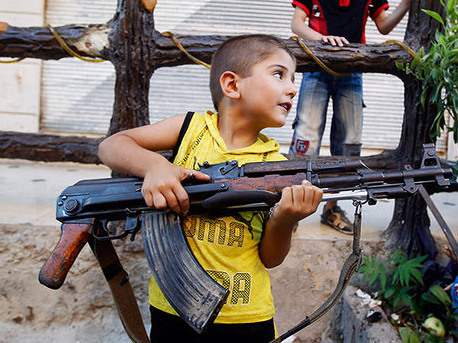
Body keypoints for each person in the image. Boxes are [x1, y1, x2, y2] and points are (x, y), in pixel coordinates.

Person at [98, 34, 323, 342]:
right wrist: (155, 166)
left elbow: (269, 258)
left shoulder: (276, 164)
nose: (292, 88)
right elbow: (111, 145)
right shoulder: (191, 129)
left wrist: (285, 220)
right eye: (278, 74)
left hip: (246, 317)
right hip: (173, 309)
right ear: (232, 85)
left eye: (292, 78)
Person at [289, 0, 422, 234]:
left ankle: (332, 208)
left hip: (352, 75)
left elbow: (385, 25)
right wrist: (321, 38)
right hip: (316, 71)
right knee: (305, 137)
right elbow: (297, 24)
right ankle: (291, 208)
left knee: (348, 143)